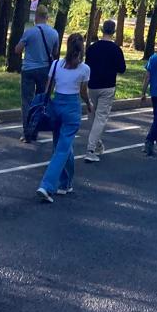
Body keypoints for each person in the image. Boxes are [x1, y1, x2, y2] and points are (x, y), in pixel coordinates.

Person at [36, 33, 91, 203]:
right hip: (72, 108)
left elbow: (48, 88)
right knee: (63, 148)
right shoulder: (84, 69)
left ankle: (65, 183)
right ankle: (47, 185)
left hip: (57, 105)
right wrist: (89, 103)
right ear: (82, 49)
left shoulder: (56, 65)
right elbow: (83, 92)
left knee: (61, 146)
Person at [83, 18, 126, 162]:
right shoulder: (116, 49)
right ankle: (90, 149)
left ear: (102, 30)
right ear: (114, 31)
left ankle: (96, 143)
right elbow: (122, 68)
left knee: (92, 116)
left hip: (92, 85)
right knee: (100, 118)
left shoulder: (92, 48)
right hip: (108, 86)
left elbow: (87, 66)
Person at [14, 8, 59, 139]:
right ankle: (36, 129)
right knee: (40, 100)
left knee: (27, 101)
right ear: (47, 17)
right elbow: (55, 52)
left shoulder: (29, 32)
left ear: (36, 17)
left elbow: (17, 50)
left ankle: (27, 133)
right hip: (45, 69)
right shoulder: (54, 33)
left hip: (28, 69)